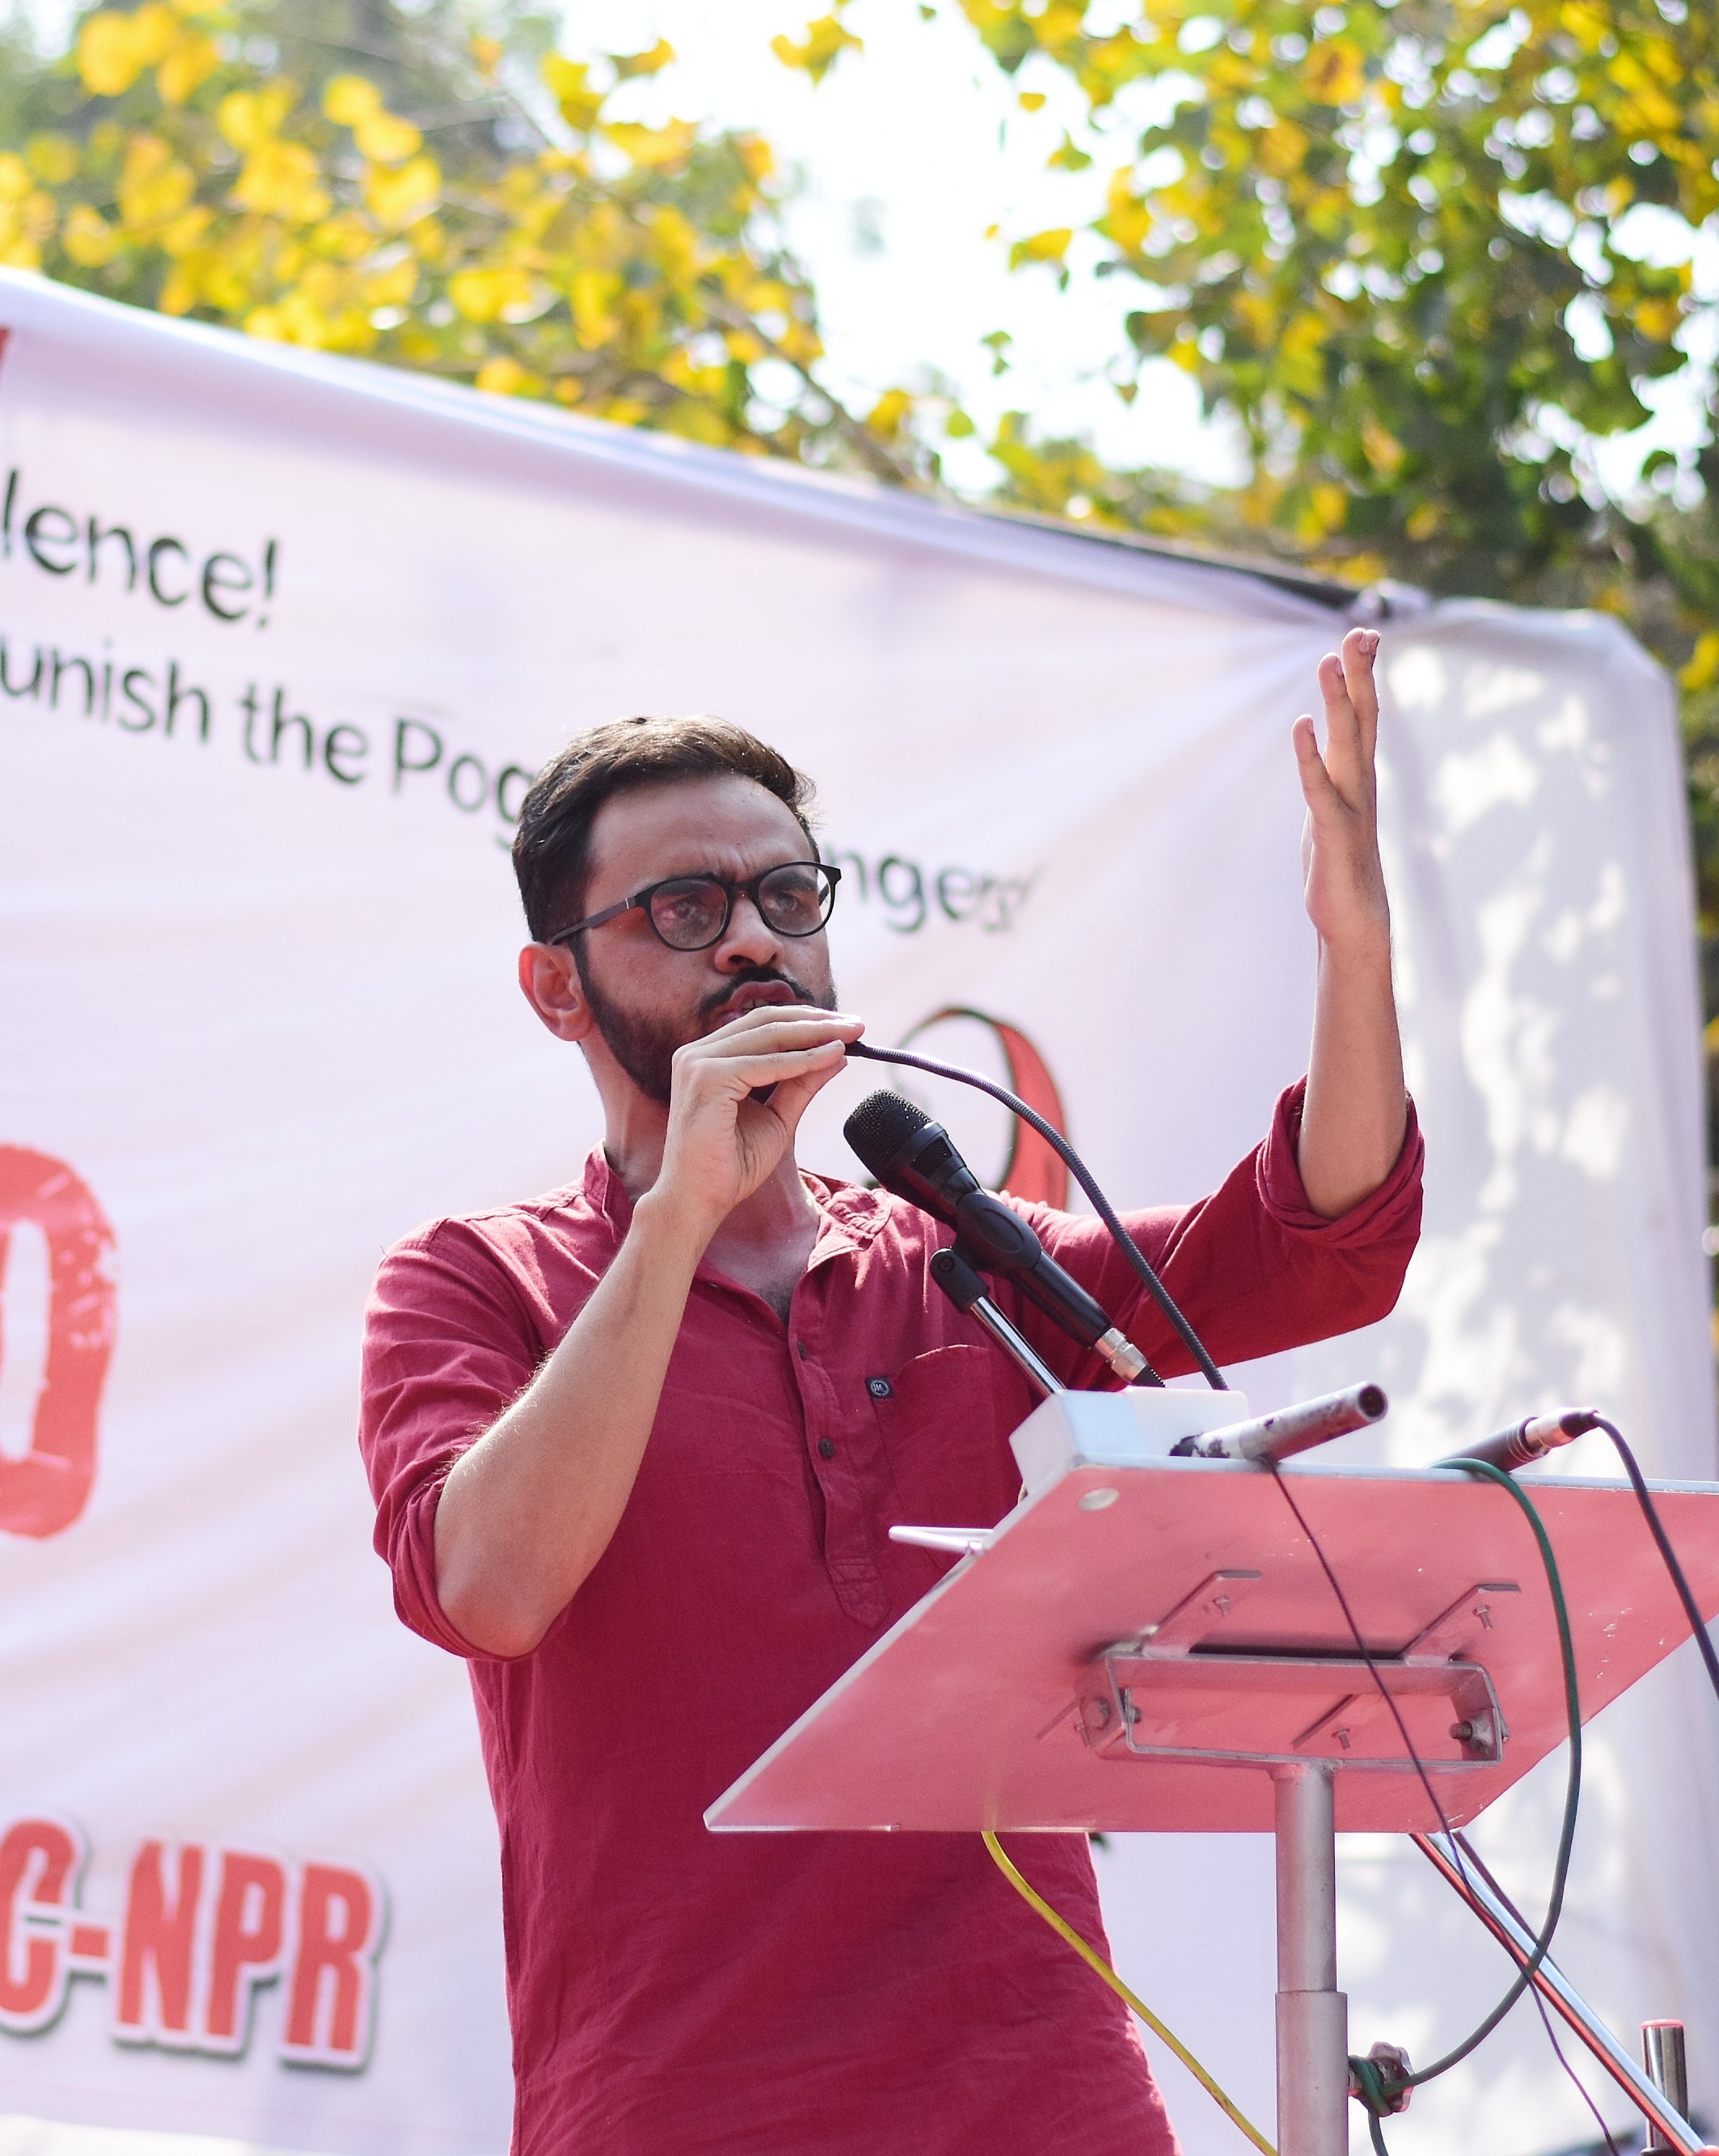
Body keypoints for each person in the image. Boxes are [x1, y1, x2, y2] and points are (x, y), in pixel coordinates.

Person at [357, 627, 1425, 2154]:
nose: (752, 944)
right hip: (677, 2109)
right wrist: (676, 1219)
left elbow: (1321, 1248)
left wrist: (1356, 951)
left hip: (1044, 2098)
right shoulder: (475, 1282)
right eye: (686, 905)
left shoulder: (964, 1264)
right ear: (557, 987)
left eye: (789, 898)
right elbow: (494, 1584)